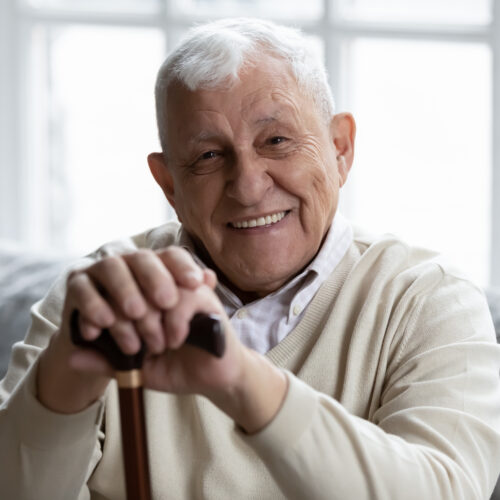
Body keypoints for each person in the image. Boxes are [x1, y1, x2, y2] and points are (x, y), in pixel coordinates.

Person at [1, 17, 500, 500]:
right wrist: (66, 381)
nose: (248, 185)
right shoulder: (105, 292)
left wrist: (241, 379)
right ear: (169, 184)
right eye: (208, 157)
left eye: (277, 141)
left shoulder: (429, 299)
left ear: (340, 148)